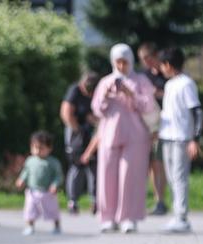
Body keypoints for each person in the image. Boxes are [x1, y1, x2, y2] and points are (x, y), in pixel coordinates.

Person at [91, 43, 157, 233]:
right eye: (118, 62)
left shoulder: (141, 80)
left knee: (131, 176)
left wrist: (131, 94)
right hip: (109, 134)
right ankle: (107, 217)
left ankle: (129, 217)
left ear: (131, 61)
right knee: (107, 175)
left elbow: (148, 106)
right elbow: (97, 109)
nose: (121, 66)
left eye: (125, 62)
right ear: (113, 62)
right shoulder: (105, 82)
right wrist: (105, 95)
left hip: (135, 136)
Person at [157, 47, 203, 233]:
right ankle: (177, 214)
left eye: (162, 65)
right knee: (171, 177)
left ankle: (181, 216)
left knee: (179, 177)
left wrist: (195, 139)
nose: (161, 69)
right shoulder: (169, 85)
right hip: (167, 137)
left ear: (168, 65)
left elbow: (197, 111)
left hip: (182, 138)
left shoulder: (186, 84)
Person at [60, 71, 100, 214]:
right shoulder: (74, 91)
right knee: (77, 165)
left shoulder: (98, 90)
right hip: (76, 133)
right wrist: (78, 130)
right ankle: (73, 201)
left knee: (94, 166)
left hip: (94, 132)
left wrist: (94, 121)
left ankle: (95, 200)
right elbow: (66, 113)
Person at [138, 42, 168, 215]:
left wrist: (158, 93)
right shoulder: (143, 76)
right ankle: (155, 199)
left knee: (158, 163)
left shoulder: (166, 73)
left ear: (155, 56)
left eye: (148, 59)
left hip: (163, 124)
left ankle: (161, 201)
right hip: (146, 124)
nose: (146, 63)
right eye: (143, 60)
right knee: (150, 165)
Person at [15, 131, 63, 236]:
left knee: (52, 210)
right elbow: (26, 172)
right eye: (34, 147)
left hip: (48, 192)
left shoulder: (53, 162)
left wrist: (55, 185)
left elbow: (58, 176)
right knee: (29, 209)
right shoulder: (30, 161)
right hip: (32, 191)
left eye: (41, 148)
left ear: (49, 148)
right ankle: (30, 226)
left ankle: (57, 226)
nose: (37, 150)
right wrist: (21, 180)